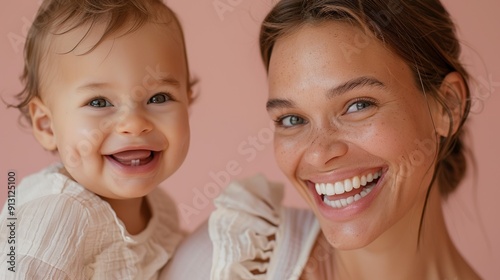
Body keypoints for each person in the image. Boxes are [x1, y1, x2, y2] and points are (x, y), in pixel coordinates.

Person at [162, 0, 482, 279]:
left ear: (447, 104)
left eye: (358, 105)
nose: (318, 154)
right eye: (293, 120)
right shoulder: (226, 264)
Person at [0, 0, 194, 278]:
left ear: (189, 101)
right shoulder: (57, 215)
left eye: (158, 97)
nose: (134, 124)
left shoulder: (160, 209)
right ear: (47, 125)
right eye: (99, 102)